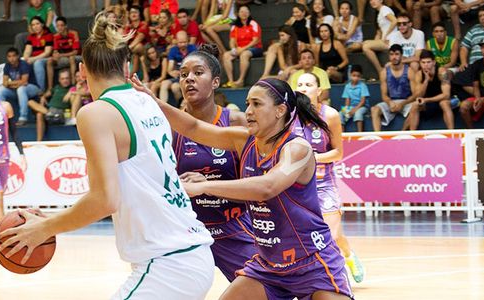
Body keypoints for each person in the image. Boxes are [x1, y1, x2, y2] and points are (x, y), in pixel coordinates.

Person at [0, 13, 215, 300]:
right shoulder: (147, 101)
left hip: (168, 263)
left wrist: (44, 228)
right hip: (187, 253)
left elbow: (104, 200)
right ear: (127, 65)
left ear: (82, 69)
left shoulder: (96, 113)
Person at [132, 74, 354, 300]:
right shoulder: (244, 140)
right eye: (248, 103)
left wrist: (206, 186)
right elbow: (193, 127)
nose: (248, 111)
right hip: (269, 266)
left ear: (280, 110)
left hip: (312, 261)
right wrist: (154, 101)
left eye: (257, 104)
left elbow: (267, 187)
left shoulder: (298, 148)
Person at [171, 44, 258, 282]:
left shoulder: (238, 122)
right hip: (187, 232)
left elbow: (256, 189)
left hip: (233, 227)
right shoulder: (168, 128)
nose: (189, 78)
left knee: (263, 291)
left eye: (198, 73)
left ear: (216, 82)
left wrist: (207, 184)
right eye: (184, 74)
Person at [293, 72, 365, 283]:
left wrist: (313, 158)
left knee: (333, 236)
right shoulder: (289, 116)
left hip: (324, 184)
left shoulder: (330, 115)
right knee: (303, 236)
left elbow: (338, 153)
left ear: (319, 90)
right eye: (300, 84)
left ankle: (348, 259)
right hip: (298, 186)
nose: (303, 88)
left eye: (308, 84)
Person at [0, 78, 26, 223]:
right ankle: (3, 236)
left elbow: (14, 131)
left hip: (3, 158)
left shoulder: (5, 107)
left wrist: (21, 153)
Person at [371, 44, 417, 131]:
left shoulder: (409, 71)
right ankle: (377, 136)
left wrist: (402, 104)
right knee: (374, 109)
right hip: (391, 101)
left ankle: (403, 132)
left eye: (396, 54)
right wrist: (389, 102)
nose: (394, 57)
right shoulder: (384, 72)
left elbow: (415, 94)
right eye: (391, 54)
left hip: (406, 101)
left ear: (401, 56)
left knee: (416, 107)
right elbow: (384, 95)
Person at [408, 50, 453, 130]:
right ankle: (412, 135)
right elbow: (418, 96)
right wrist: (426, 81)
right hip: (429, 102)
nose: (426, 65)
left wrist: (427, 100)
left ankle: (452, 133)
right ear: (420, 63)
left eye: (428, 62)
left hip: (445, 99)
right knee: (415, 105)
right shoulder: (419, 74)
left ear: (434, 62)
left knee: (444, 103)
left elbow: (446, 95)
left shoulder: (441, 72)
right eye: (423, 62)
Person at [0, 47, 41, 125]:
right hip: (17, 89)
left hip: (32, 88)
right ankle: (1, 117)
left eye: (13, 56)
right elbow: (4, 83)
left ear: (18, 56)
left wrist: (10, 83)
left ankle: (23, 118)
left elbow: (24, 81)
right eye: (9, 56)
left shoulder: (23, 64)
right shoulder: (7, 66)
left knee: (21, 89)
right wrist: (16, 83)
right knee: (1, 91)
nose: (12, 58)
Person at [222, 5, 263, 88]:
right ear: (238, 14)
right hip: (239, 48)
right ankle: (231, 81)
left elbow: (256, 40)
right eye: (242, 11)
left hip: (255, 48)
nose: (244, 13)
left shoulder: (253, 24)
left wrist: (243, 49)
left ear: (249, 13)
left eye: (246, 11)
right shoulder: (235, 26)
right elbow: (232, 41)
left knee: (244, 54)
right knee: (226, 55)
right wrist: (233, 49)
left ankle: (241, 80)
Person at [27, 69, 73, 141]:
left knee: (40, 113)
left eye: (67, 78)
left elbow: (81, 91)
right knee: (31, 103)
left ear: (70, 79)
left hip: (61, 114)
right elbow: (47, 94)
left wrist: (71, 92)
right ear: (59, 80)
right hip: (50, 112)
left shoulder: (72, 88)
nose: (65, 80)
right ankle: (39, 141)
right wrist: (43, 97)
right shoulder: (56, 87)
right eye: (62, 79)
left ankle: (50, 114)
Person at [159, 30, 197, 104]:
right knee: (164, 83)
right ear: (176, 41)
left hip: (189, 77)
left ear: (188, 41)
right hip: (178, 76)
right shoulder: (173, 50)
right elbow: (170, 68)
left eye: (184, 42)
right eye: (180, 43)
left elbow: (195, 66)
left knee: (175, 87)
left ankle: (180, 106)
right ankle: (163, 107)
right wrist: (172, 72)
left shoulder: (193, 49)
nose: (183, 44)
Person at [46, 16, 80, 92]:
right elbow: (55, 50)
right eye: (57, 26)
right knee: (49, 61)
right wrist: (55, 55)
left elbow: (75, 52)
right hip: (64, 57)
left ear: (66, 26)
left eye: (61, 25)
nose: (59, 28)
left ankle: (73, 84)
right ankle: (50, 88)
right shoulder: (55, 36)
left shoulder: (74, 33)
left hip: (76, 56)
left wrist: (61, 55)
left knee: (71, 58)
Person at [362, 0, 397, 74]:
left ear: (381, 0)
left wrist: (386, 35)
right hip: (385, 39)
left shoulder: (384, 9)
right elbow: (379, 31)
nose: (372, 2)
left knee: (366, 47)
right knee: (365, 43)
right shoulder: (379, 12)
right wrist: (375, 42)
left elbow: (394, 21)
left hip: (391, 40)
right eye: (371, 0)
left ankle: (380, 70)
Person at [460, 38, 484, 128]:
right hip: (481, 96)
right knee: (464, 106)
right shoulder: (477, 64)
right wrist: (478, 98)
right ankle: (471, 132)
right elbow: (475, 85)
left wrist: (482, 100)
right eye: (483, 47)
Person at [23, 16, 53, 92]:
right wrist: (26, 58)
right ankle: (23, 85)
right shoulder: (31, 37)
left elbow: (47, 52)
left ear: (42, 24)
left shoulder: (48, 35)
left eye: (37, 24)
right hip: (33, 58)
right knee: (21, 61)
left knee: (37, 63)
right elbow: (27, 50)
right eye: (33, 25)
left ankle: (40, 90)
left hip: (45, 58)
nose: (35, 26)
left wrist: (33, 59)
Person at [340, 65, 370, 132]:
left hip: (362, 107)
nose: (356, 78)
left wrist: (355, 110)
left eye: (358, 76)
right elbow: (347, 100)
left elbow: (363, 101)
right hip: (351, 107)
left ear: (361, 77)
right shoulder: (347, 86)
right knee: (340, 114)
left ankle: (359, 133)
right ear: (350, 75)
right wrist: (347, 109)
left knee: (358, 113)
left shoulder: (363, 86)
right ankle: (342, 134)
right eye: (354, 75)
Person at [124, 5, 149, 75]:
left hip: (146, 49)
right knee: (135, 52)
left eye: (135, 12)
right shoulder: (128, 27)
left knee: (138, 46)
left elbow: (140, 37)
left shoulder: (144, 24)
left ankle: (130, 75)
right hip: (131, 52)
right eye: (131, 12)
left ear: (140, 14)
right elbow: (125, 40)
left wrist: (128, 48)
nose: (133, 14)